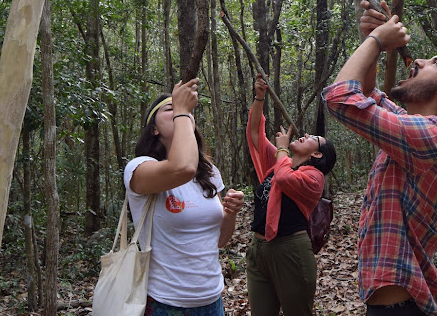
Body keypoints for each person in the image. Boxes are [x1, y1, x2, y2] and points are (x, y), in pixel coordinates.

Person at [322, 1, 437, 316]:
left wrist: (376, 42)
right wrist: (374, 40)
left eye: (435, 64)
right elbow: (368, 95)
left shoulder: (436, 138)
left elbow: (341, 98)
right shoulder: (419, 132)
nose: (421, 60)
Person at [124, 78, 245, 316]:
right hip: (165, 303)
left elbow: (219, 240)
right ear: (154, 129)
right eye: (171, 109)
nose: (182, 112)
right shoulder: (139, 168)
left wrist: (230, 213)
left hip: (212, 300)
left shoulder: (208, 171)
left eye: (186, 111)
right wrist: (182, 109)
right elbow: (182, 168)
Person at [245, 74, 337, 316]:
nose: (305, 135)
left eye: (313, 139)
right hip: (259, 249)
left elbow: (285, 179)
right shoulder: (279, 160)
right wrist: (259, 97)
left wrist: (283, 148)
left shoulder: (313, 178)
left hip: (290, 251)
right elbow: (255, 133)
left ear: (317, 155)